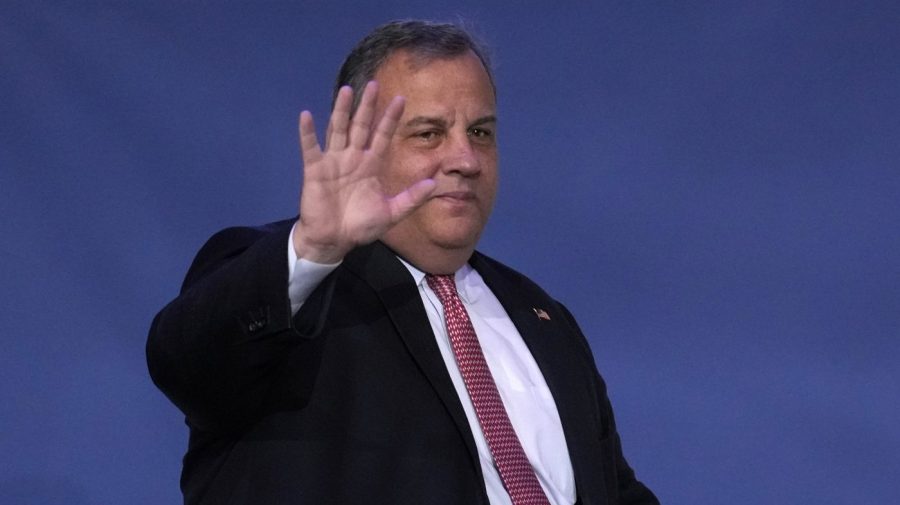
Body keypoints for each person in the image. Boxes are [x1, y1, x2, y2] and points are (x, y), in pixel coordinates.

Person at [147, 19, 659, 505]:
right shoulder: (291, 288)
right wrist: (314, 251)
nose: (466, 159)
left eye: (480, 132)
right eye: (428, 133)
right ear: (358, 142)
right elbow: (184, 366)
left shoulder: (545, 320)